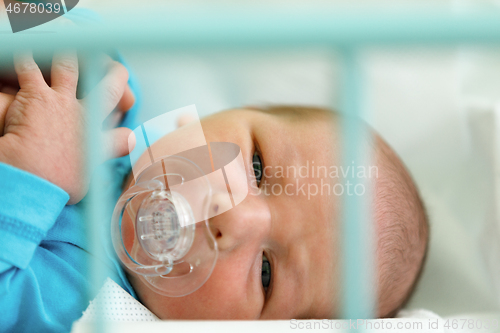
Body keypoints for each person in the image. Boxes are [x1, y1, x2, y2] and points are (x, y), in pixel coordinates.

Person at [0, 52, 429, 330]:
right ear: (228, 114)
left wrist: (32, 176)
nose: (235, 217)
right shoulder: (111, 100)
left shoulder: (84, 312)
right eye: (258, 166)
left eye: (266, 273)